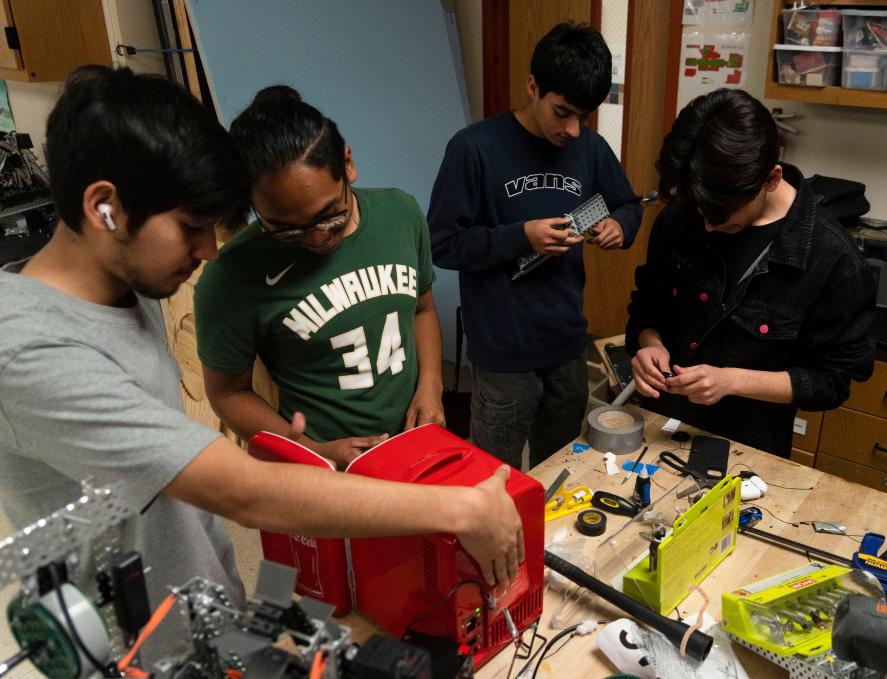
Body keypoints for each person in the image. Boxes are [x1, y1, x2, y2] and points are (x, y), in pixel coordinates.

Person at [0, 67, 524, 613]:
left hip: (197, 608)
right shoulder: (27, 351)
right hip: (120, 648)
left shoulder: (123, 293)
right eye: (190, 227)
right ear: (104, 207)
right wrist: (461, 510)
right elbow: (244, 492)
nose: (207, 252)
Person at [428, 22, 642, 470]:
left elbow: (627, 203)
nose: (573, 130)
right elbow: (443, 245)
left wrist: (620, 225)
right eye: (562, 112)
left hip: (567, 347)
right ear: (532, 86)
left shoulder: (591, 149)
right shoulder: (474, 149)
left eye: (584, 116)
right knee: (494, 481)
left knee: (558, 473)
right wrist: (520, 236)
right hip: (504, 355)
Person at [194, 86, 443, 469]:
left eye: (330, 215)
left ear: (347, 164)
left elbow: (422, 308)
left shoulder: (401, 214)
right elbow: (228, 394)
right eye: (285, 229)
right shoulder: (232, 276)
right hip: (323, 465)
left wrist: (431, 385)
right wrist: (312, 451)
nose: (316, 238)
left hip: (415, 441)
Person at [625, 88, 876, 458]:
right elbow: (648, 304)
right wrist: (650, 345)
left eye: (723, 216)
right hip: (661, 429)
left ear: (771, 178)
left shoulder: (832, 259)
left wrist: (731, 381)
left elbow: (831, 381)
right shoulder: (683, 217)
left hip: (749, 450)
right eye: (700, 212)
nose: (708, 227)